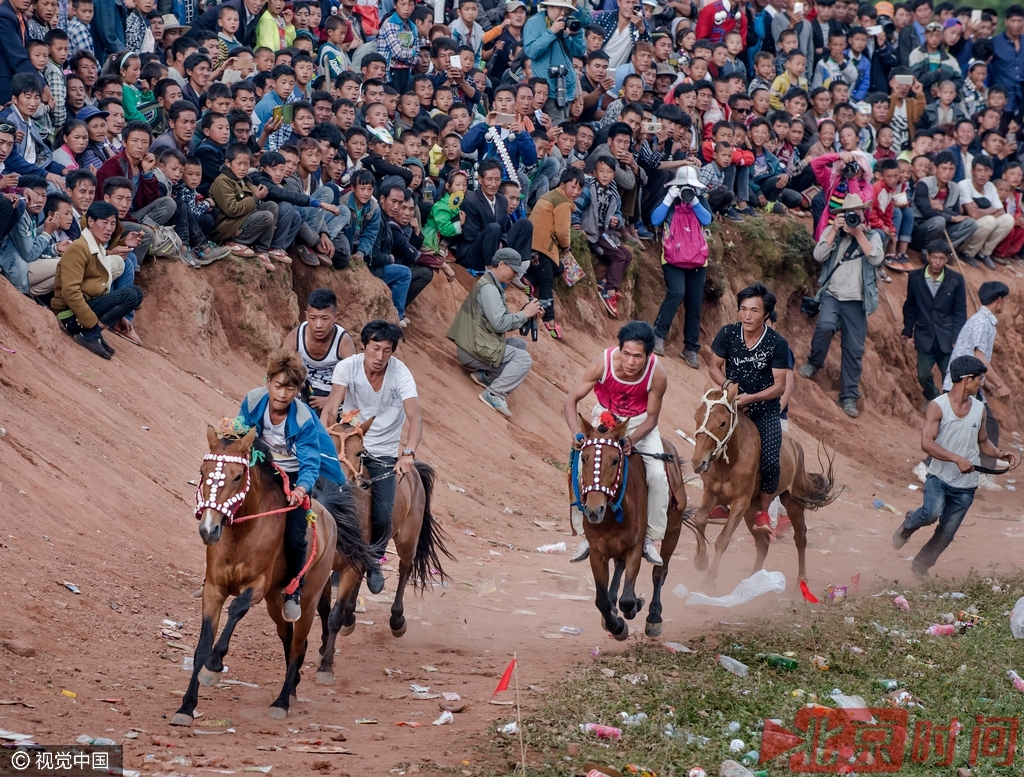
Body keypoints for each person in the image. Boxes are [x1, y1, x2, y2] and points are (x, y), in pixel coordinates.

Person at [237, 349, 347, 621]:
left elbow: (310, 463)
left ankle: (293, 591)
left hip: (294, 477)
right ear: (268, 381)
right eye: (278, 386)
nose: (283, 394)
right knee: (226, 505)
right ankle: (213, 576)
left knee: (297, 533)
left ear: (298, 390)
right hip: (260, 470)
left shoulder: (303, 419)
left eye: (290, 388)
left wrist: (300, 490)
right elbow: (241, 433)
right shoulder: (253, 401)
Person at [319, 320, 424, 595]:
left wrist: (409, 453)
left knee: (382, 511)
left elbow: (415, 417)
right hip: (350, 443)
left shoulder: (401, 374)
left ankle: (373, 559)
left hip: (384, 450)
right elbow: (332, 404)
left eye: (386, 351)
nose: (379, 357)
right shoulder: (348, 367)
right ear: (364, 345)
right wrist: (322, 438)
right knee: (321, 495)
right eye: (375, 348)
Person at [891, 355, 1019, 579]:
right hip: (939, 478)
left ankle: (921, 565)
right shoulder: (938, 406)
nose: (982, 384)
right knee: (931, 513)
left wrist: (1000, 454)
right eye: (979, 379)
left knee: (947, 533)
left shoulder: (979, 409)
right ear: (967, 379)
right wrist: (956, 459)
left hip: (966, 486)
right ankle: (908, 525)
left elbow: (983, 442)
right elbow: (926, 444)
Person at [562, 320, 670, 566]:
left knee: (657, 476)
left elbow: (652, 418)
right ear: (619, 349)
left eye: (637, 357)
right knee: (582, 469)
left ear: (648, 356)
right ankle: (585, 534)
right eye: (626, 354)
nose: (630, 362)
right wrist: (576, 433)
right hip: (604, 417)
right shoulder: (603, 363)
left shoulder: (658, 374)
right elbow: (571, 400)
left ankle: (652, 538)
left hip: (638, 423)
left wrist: (632, 440)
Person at [709, 282, 791, 532]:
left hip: (763, 410)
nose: (747, 315)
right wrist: (727, 385)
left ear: (766, 314)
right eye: (743, 309)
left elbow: (779, 386)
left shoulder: (777, 343)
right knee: (711, 443)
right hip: (732, 406)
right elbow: (713, 365)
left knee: (770, 458)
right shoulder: (728, 333)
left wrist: (750, 398)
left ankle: (764, 512)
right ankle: (721, 502)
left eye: (754, 310)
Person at [797, 193, 884, 418]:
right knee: (825, 326)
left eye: (857, 213)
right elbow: (817, 255)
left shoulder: (873, 236)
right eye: (848, 214)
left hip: (857, 301)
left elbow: (876, 259)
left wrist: (858, 234)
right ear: (841, 216)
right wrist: (835, 230)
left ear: (864, 215)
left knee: (853, 349)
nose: (853, 217)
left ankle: (848, 396)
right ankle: (814, 362)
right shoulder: (833, 232)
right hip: (832, 295)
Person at [446, 247, 541, 419]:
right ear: (502, 264)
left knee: (520, 345)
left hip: (472, 343)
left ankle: (485, 375)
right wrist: (525, 313)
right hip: (472, 348)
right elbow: (500, 324)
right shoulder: (489, 289)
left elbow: (499, 321)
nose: (515, 276)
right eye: (513, 270)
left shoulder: (491, 283)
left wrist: (526, 314)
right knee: (523, 359)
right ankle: (495, 394)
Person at [50, 201, 144, 359]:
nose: (109, 228)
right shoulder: (79, 248)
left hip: (85, 308)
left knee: (136, 293)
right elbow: (70, 291)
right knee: (130, 295)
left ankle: (93, 333)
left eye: (113, 223)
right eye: (104, 222)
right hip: (70, 315)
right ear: (91, 222)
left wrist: (117, 316)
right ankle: (91, 333)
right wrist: (91, 322)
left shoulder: (97, 247)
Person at [940, 281, 1013, 484]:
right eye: (1003, 300)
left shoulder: (982, 320)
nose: (1003, 304)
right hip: (963, 382)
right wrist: (998, 383)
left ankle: (982, 471)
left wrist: (985, 384)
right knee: (959, 427)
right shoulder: (982, 322)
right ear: (998, 300)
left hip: (969, 382)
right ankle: (931, 465)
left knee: (984, 424)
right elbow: (979, 356)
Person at [650, 166, 713, 366]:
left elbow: (707, 220)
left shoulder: (699, 200)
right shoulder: (669, 199)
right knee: (677, 292)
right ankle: (658, 335)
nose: (686, 190)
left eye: (690, 187)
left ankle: (690, 348)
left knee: (694, 303)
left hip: (697, 260)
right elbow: (655, 219)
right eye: (683, 187)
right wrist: (669, 198)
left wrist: (694, 200)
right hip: (672, 258)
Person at [901, 241, 966, 408]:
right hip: (924, 334)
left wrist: (956, 336)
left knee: (950, 376)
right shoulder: (915, 277)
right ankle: (932, 396)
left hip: (947, 336)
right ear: (927, 256)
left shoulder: (956, 280)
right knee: (922, 374)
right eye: (934, 257)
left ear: (947, 259)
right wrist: (907, 330)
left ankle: (947, 406)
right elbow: (910, 306)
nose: (937, 262)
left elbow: (960, 312)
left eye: (942, 258)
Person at [527, 167, 583, 340]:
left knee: (557, 268)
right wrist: (566, 246)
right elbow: (562, 231)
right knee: (547, 283)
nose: (575, 192)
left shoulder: (551, 195)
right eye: (572, 187)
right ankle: (548, 320)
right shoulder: (563, 202)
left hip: (531, 246)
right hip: (542, 247)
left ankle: (528, 279)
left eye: (579, 188)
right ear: (562, 184)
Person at [454, 158, 533, 275]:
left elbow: (506, 228)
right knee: (494, 228)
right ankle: (491, 271)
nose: (493, 184)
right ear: (480, 179)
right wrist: (494, 241)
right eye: (489, 179)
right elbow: (471, 236)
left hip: (497, 249)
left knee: (524, 224)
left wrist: (501, 241)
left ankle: (519, 270)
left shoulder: (501, 200)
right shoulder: (471, 202)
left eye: (497, 179)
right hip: (474, 253)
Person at [282, 288, 356, 410]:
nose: (318, 325)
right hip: (305, 388)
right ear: (306, 316)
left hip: (333, 391)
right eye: (313, 318)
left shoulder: (343, 341)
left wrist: (331, 399)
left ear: (335, 317)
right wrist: (291, 389)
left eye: (325, 318)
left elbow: (354, 380)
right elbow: (280, 366)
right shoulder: (297, 335)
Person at [522, 0, 586, 123]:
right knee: (557, 131)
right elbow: (531, 51)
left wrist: (577, 33)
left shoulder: (568, 22)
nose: (563, 13)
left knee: (564, 132)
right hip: (548, 91)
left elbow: (580, 51)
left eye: (566, 10)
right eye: (559, 9)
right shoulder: (534, 23)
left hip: (567, 89)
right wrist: (551, 32)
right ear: (549, 7)